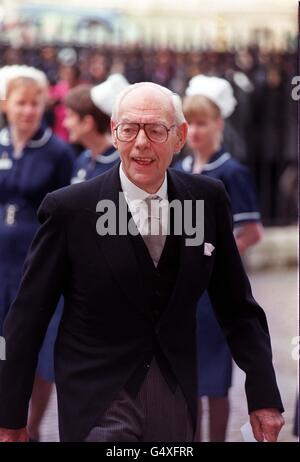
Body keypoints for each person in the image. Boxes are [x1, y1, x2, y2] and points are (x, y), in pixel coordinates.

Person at [0, 82, 284, 442]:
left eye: (155, 129)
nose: (141, 142)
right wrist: (10, 417)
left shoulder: (205, 200)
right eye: (130, 128)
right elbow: (27, 315)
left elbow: (238, 308)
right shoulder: (70, 209)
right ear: (115, 133)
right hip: (96, 396)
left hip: (175, 393)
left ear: (179, 137)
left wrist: (264, 397)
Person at [175, 75, 263, 441]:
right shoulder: (177, 170)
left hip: (213, 290)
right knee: (186, 375)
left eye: (202, 123)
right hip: (181, 288)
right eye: (189, 124)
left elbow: (252, 231)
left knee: (213, 376)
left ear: (219, 125)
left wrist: (219, 258)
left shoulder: (231, 172)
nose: (194, 132)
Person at [0, 65, 74, 441]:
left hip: (35, 259)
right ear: (5, 105)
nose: (27, 111)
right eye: (20, 103)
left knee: (36, 344)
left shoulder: (58, 152)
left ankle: (31, 424)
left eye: (34, 104)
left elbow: (66, 208)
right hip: (0, 262)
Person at [63, 74, 129, 183]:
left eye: (70, 116)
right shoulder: (83, 158)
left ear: (87, 123)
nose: (65, 123)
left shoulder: (120, 166)